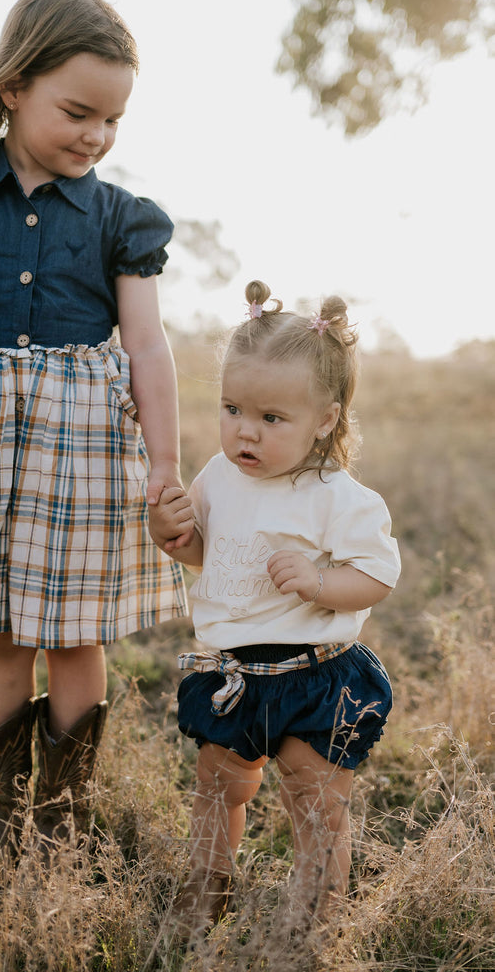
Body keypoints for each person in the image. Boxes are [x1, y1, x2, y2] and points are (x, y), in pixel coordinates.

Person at [0, 0, 188, 897]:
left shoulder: (120, 219)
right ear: (14, 86)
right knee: (3, 635)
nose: (96, 135)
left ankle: (60, 831)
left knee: (77, 635)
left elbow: (145, 343)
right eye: (78, 111)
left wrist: (167, 467)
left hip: (85, 449)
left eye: (112, 120)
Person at [148, 280, 400, 941]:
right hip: (233, 674)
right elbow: (209, 551)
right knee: (217, 787)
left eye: (270, 419)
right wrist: (174, 535)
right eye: (232, 408)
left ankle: (316, 920)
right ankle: (207, 889)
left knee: (314, 803)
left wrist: (320, 581)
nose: (244, 431)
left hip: (315, 675)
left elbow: (374, 576)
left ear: (325, 419)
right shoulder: (219, 475)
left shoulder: (336, 495)